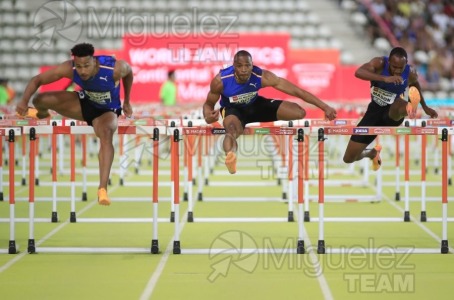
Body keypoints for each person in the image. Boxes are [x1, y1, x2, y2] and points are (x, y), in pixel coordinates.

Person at [16, 43, 133, 205]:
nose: (83, 71)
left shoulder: (114, 68)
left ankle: (102, 189)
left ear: (94, 61)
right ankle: (42, 115)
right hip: (84, 103)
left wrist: (126, 101)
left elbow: (129, 73)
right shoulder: (69, 68)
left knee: (106, 134)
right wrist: (23, 101)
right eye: (79, 66)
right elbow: (38, 80)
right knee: (39, 100)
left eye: (86, 65)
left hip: (107, 111)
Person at [203, 50, 337, 174]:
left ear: (252, 65)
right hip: (233, 110)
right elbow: (208, 104)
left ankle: (233, 148)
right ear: (233, 66)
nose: (244, 70)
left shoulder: (262, 76)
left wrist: (324, 107)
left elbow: (297, 91)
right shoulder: (220, 81)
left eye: (247, 66)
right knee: (231, 130)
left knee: (298, 112)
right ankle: (230, 157)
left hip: (256, 106)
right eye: (239, 66)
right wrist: (208, 116)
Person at [342, 47, 438, 171]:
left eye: (400, 68)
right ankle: (372, 153)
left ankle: (409, 108)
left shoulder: (411, 73)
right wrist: (385, 78)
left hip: (393, 113)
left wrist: (424, 107)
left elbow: (415, 84)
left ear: (406, 63)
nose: (397, 71)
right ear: (389, 62)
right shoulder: (379, 63)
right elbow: (358, 72)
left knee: (397, 104)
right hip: (374, 113)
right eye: (394, 67)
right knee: (348, 158)